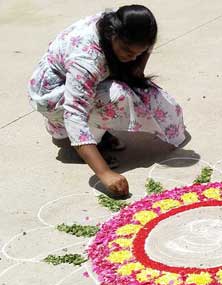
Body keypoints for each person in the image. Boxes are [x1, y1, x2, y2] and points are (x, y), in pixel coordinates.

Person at [28, 5, 186, 196]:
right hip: (52, 95)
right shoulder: (87, 59)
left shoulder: (121, 26)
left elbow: (143, 47)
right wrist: (104, 173)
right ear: (113, 35)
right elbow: (75, 113)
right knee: (117, 96)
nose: (133, 57)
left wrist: (136, 69)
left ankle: (96, 130)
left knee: (158, 106)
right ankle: (77, 138)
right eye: (127, 51)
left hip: (79, 82)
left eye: (138, 52)